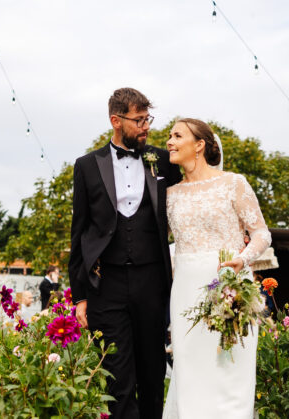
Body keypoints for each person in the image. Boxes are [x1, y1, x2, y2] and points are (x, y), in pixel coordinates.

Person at [69, 88, 182, 419]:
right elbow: (79, 232)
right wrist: (80, 296)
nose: (146, 126)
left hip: (152, 282)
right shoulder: (87, 166)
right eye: (139, 120)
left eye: (148, 118)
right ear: (115, 121)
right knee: (116, 377)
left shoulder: (162, 160)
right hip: (107, 285)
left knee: (151, 373)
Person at [162, 118, 271, 419]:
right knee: (190, 372)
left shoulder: (234, 183)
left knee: (229, 370)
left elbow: (262, 232)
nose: (169, 141)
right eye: (169, 135)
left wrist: (243, 258)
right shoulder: (169, 195)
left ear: (199, 145)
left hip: (229, 285)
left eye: (177, 135)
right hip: (185, 289)